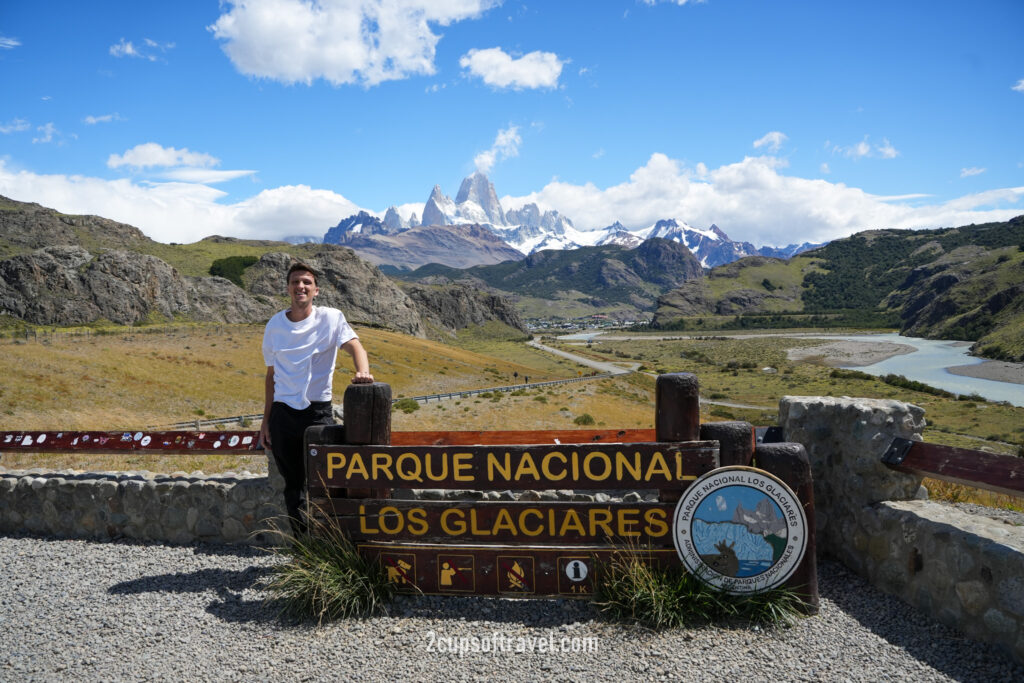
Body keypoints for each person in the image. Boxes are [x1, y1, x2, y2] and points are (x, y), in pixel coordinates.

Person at [258, 262, 374, 534]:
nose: (301, 286)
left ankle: (330, 543)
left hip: (317, 413)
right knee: (293, 485)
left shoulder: (331, 319)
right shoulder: (275, 325)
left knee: (325, 480)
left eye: (307, 283)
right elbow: (270, 375)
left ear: (316, 290)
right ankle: (303, 547)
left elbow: (355, 346)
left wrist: (363, 372)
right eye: (296, 282)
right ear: (288, 288)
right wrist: (266, 422)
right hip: (282, 414)